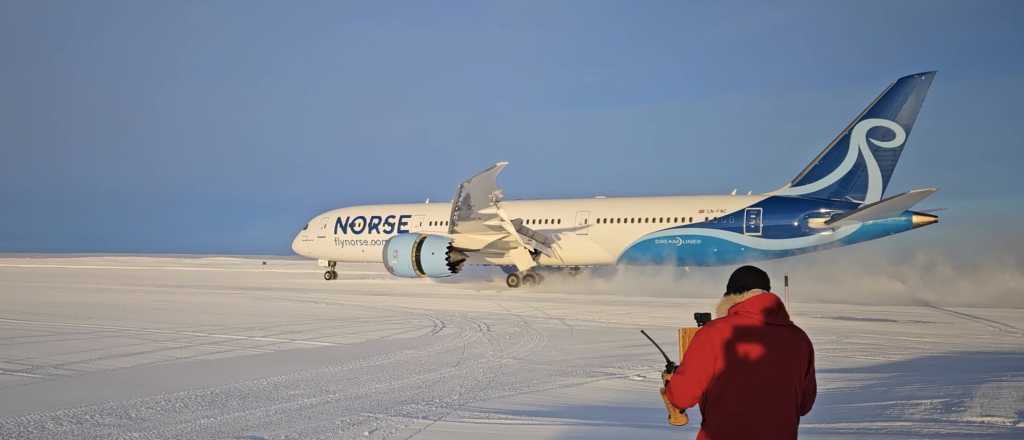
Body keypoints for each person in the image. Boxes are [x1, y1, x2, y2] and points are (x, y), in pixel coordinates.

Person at [665, 265, 816, 440]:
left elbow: (682, 397)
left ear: (731, 297)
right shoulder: (799, 338)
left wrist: (671, 383)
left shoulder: (713, 333)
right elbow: (804, 404)